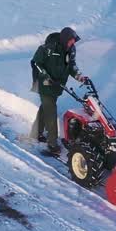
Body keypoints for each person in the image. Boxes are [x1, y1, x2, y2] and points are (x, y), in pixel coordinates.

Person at [29, 26, 86, 157]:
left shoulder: (71, 50)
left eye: (74, 41)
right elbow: (36, 63)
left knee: (45, 108)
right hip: (45, 83)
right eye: (71, 40)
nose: (73, 43)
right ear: (64, 39)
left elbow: (71, 65)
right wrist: (46, 75)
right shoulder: (48, 48)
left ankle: (35, 133)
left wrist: (79, 76)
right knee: (51, 112)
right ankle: (52, 144)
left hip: (57, 84)